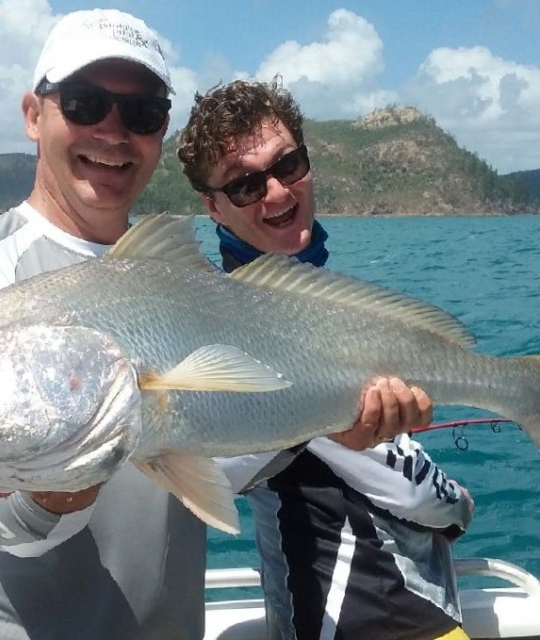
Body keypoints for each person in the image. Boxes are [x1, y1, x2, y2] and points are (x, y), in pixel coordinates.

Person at [0, 11, 432, 640]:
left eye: (142, 114)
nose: (113, 131)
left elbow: (210, 447)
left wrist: (324, 421)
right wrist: (49, 497)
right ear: (32, 114)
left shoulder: (186, 281)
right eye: (83, 102)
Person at [178, 79, 475, 640]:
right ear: (211, 205)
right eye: (244, 186)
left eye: (288, 165)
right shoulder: (227, 329)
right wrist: (458, 505)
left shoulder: (335, 307)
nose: (277, 194)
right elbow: (409, 491)